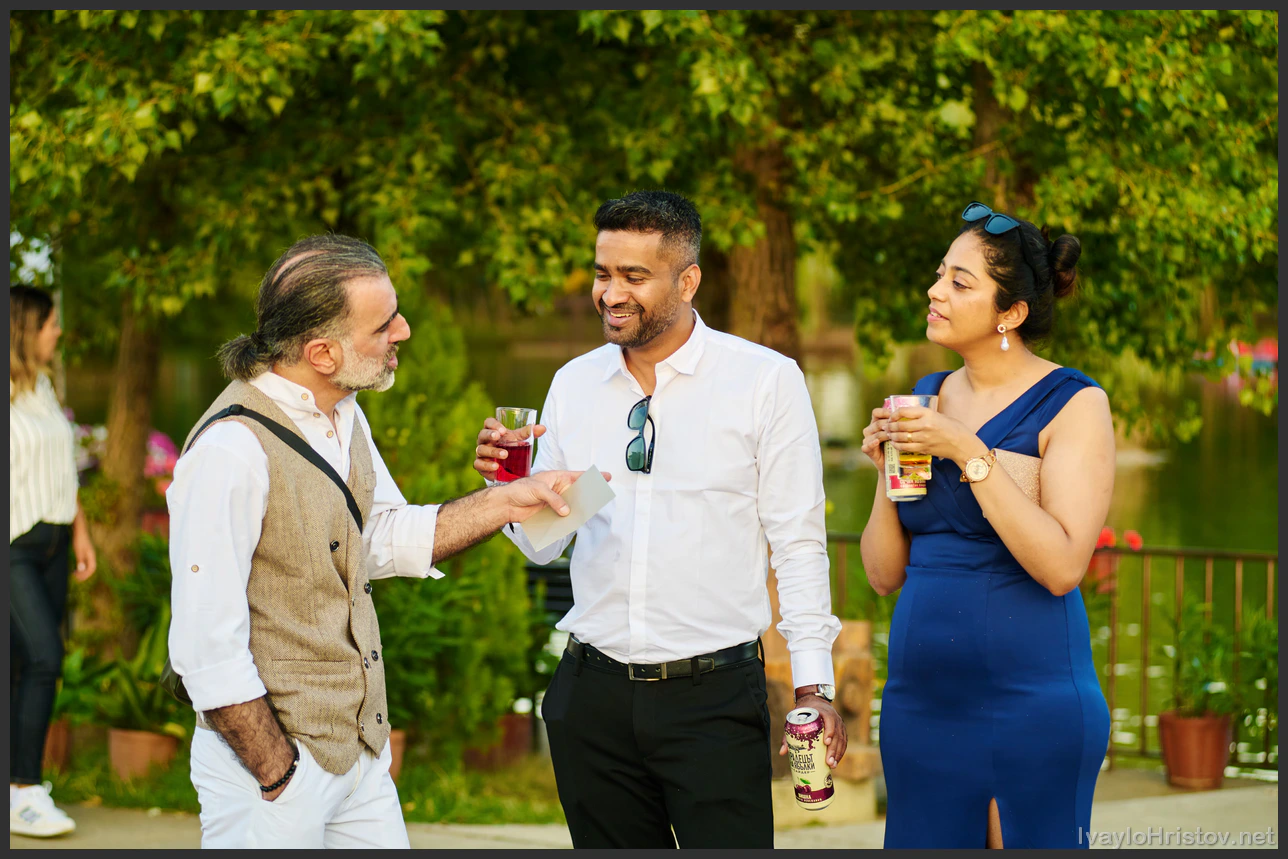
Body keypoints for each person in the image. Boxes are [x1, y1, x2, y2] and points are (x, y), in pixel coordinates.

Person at [166, 234, 598, 849]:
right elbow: (205, 647)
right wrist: (280, 775)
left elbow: (377, 538)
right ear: (322, 353)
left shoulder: (344, 413)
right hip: (271, 775)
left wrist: (506, 500)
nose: (404, 331)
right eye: (383, 324)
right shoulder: (229, 451)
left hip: (360, 757)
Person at [472, 191, 846, 849]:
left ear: (687, 280)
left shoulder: (764, 381)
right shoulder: (574, 384)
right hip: (591, 698)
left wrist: (814, 686)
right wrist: (505, 487)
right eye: (602, 273)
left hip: (714, 701)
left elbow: (798, 544)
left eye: (634, 276)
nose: (610, 293)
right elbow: (544, 543)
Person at [859, 202, 1114, 848]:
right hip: (919, 704)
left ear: (1011, 313)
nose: (935, 290)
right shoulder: (925, 394)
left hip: (1030, 701)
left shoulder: (1075, 403)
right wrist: (885, 473)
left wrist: (965, 449)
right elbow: (883, 574)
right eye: (939, 274)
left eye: (959, 282)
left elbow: (1062, 567)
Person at [10, 284, 98, 838]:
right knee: (45, 658)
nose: (58, 331)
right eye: (49, 324)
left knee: (24, 665)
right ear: (25, 329)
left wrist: (80, 532)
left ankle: (17, 786)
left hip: (55, 542)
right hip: (13, 545)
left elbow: (63, 469)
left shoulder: (42, 386)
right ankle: (22, 792)